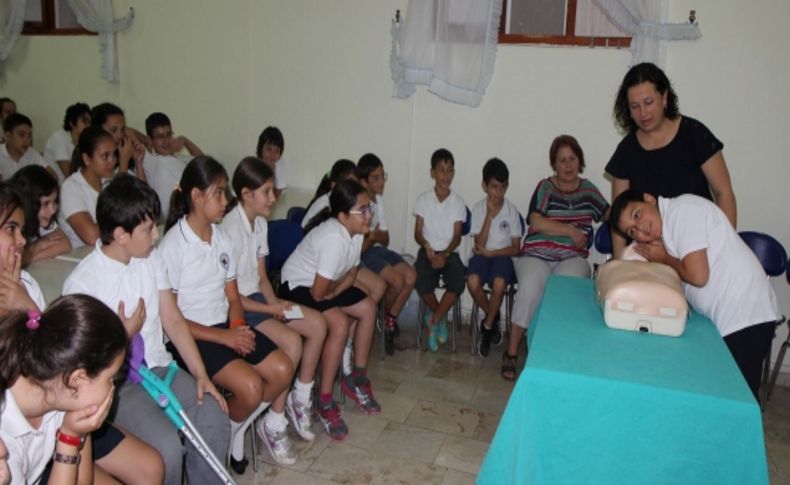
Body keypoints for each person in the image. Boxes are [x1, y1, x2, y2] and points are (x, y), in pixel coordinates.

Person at [62, 175, 230, 484]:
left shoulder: (150, 259)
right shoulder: (84, 285)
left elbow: (174, 320)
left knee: (214, 417)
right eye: (148, 229)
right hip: (118, 386)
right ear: (120, 235)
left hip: (160, 368)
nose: (156, 236)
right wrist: (122, 337)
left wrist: (202, 375)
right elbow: (83, 367)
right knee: (165, 449)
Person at [158, 156, 295, 471]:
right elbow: (172, 319)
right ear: (196, 196)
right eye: (218, 194)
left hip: (224, 326)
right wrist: (226, 336)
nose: (225, 201)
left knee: (282, 369)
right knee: (250, 387)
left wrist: (238, 329)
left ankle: (235, 428)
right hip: (191, 336)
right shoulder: (174, 246)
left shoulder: (220, 238)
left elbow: (233, 296)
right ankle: (220, 433)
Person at [610, 190, 779, 401]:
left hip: (744, 314)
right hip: (726, 318)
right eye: (632, 231)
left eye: (637, 215)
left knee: (739, 400)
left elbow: (698, 276)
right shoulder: (665, 233)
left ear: (649, 199)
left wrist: (664, 259)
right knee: (721, 394)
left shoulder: (683, 211)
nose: (640, 229)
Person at [220, 157, 327, 456]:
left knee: (317, 324)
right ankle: (274, 423)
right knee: (292, 342)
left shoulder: (260, 224)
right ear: (246, 194)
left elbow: (262, 277)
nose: (273, 197)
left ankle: (298, 398)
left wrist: (276, 303)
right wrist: (271, 311)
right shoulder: (230, 230)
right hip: (240, 308)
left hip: (259, 301)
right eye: (266, 191)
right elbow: (232, 296)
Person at [278, 180, 380, 440]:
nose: (369, 215)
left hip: (329, 283)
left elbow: (353, 272)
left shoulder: (357, 232)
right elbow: (317, 293)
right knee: (339, 323)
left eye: (369, 208)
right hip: (297, 285)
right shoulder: (334, 237)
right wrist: (335, 292)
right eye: (363, 210)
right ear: (343, 216)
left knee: (368, 307)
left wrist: (338, 291)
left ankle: (356, 377)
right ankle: (324, 401)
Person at [503, 135, 608, 381]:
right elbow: (535, 221)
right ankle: (511, 351)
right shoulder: (545, 187)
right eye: (562, 160)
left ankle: (551, 357)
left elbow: (610, 214)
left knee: (563, 295)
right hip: (536, 255)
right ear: (554, 164)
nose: (568, 165)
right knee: (529, 290)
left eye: (572, 159)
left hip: (572, 257)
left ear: (579, 160)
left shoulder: (589, 190)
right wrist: (569, 230)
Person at [606, 62, 736, 257]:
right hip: (652, 258)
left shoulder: (694, 134)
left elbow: (724, 193)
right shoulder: (626, 150)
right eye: (635, 106)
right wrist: (618, 263)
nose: (643, 113)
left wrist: (725, 248)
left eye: (648, 102)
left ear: (664, 97)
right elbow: (619, 219)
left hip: (700, 250)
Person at [0, 294, 128, 485]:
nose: (113, 387)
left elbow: (83, 481)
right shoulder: (5, 446)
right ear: (78, 379)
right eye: (111, 378)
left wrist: (79, 430)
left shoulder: (56, 385)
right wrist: (70, 438)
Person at [357, 153, 416, 355]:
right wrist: (373, 237)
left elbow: (386, 238)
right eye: (376, 178)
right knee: (398, 281)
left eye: (383, 176)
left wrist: (373, 236)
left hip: (376, 248)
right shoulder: (359, 203)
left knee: (411, 276)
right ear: (363, 181)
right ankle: (386, 321)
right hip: (363, 255)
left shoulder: (379, 201)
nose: (381, 182)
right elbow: (360, 248)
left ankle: (389, 319)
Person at [467, 158, 521, 358]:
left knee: (499, 285)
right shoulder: (478, 208)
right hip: (482, 255)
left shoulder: (511, 211)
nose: (498, 193)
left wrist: (493, 253)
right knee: (472, 282)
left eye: (502, 187)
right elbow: (479, 245)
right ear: (484, 186)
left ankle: (488, 326)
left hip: (502, 256)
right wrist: (489, 216)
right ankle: (494, 314)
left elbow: (516, 249)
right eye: (494, 187)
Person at [413, 148, 466, 353]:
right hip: (428, 250)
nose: (446, 175)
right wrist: (427, 247)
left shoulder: (458, 202)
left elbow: (457, 236)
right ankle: (440, 318)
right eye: (441, 170)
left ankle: (433, 319)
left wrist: (444, 255)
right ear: (432, 172)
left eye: (450, 170)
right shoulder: (423, 199)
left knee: (458, 281)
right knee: (420, 279)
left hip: (448, 252)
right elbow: (417, 232)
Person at [58, 127, 116, 248]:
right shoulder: (71, 188)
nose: (113, 161)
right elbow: (91, 236)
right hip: (77, 258)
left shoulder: (109, 183)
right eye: (105, 156)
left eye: (114, 154)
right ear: (86, 159)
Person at [8, 165, 72, 263]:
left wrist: (29, 257)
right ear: (27, 202)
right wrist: (35, 247)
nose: (53, 210)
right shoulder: (8, 220)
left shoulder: (42, 217)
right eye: (45, 204)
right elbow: (9, 260)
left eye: (54, 201)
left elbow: (65, 244)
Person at [143, 112, 203, 213]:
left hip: (193, 209)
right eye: (160, 137)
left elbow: (205, 163)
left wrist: (185, 141)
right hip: (172, 218)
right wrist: (146, 141)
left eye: (169, 134)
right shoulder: (151, 161)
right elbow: (128, 132)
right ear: (150, 139)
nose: (166, 141)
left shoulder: (181, 158)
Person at [0, 183, 46, 316]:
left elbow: (46, 336)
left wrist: (28, 306)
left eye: (22, 230)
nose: (22, 240)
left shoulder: (26, 284)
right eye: (11, 229)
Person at [91, 103, 146, 182]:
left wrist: (138, 163)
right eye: (113, 130)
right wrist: (124, 160)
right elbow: (117, 193)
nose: (120, 135)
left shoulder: (121, 157)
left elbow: (144, 193)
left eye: (122, 130)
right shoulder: (97, 163)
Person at [0, 113, 57, 182]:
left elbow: (53, 176)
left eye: (29, 135)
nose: (27, 140)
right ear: (8, 136)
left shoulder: (32, 153)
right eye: (21, 135)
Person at [44, 102, 91, 179]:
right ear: (72, 123)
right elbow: (69, 173)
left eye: (90, 122)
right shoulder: (59, 137)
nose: (88, 125)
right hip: (54, 187)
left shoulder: (84, 141)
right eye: (85, 121)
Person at [256, 126, 286, 197]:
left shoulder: (278, 164)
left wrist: (272, 173)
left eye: (277, 151)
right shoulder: (254, 167)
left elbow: (276, 195)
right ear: (261, 149)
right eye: (269, 149)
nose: (272, 155)